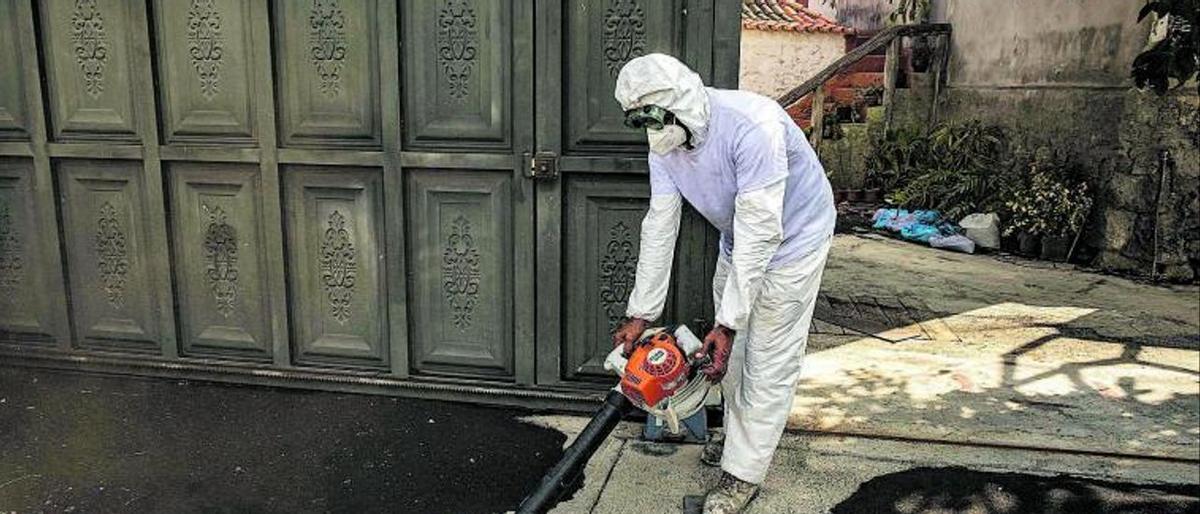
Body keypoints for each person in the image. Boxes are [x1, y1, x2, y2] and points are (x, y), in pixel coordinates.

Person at [610, 53, 836, 514]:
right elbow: (660, 224)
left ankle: (743, 477)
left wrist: (728, 324)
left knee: (768, 362)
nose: (653, 134)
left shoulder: (753, 125)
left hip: (793, 243)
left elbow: (762, 229)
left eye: (655, 118)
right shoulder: (665, 146)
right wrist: (641, 314)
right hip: (739, 243)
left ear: (682, 103)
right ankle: (739, 443)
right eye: (640, 122)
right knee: (725, 364)